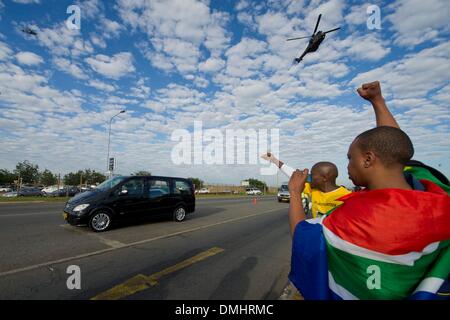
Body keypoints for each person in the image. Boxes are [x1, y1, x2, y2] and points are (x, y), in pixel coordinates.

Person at [287, 82, 450, 300]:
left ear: (368, 159)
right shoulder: (435, 194)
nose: (347, 166)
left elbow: (302, 236)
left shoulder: (354, 220)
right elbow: (393, 148)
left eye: (349, 158)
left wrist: (295, 193)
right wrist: (377, 101)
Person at [262, 153, 350, 218]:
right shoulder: (313, 189)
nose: (309, 177)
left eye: (312, 175)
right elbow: (293, 174)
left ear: (324, 178)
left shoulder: (347, 197)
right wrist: (274, 160)